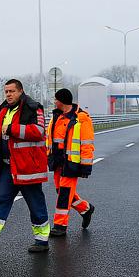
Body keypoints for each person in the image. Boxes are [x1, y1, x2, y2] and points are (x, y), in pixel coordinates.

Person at [0, 79, 50, 254]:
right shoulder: (4, 109)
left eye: (12, 91)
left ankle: (42, 240)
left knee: (35, 203)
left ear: (21, 91)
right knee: (1, 200)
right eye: (6, 91)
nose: (8, 95)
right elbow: (2, 131)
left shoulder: (33, 107)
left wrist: (12, 129)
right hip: (8, 165)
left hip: (28, 167)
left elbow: (39, 131)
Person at [46, 88, 95, 236]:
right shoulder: (56, 116)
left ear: (61, 101)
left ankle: (60, 226)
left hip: (71, 162)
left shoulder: (82, 118)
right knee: (60, 191)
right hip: (57, 161)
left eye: (55, 99)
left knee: (65, 193)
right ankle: (86, 209)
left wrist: (86, 165)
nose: (54, 102)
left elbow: (87, 143)